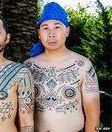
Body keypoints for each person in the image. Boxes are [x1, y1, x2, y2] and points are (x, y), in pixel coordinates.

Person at [24, 2, 100, 132]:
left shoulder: (83, 65)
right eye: (45, 28)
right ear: (39, 33)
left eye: (57, 27)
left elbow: (93, 115)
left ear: (67, 31)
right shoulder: (28, 65)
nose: (51, 34)